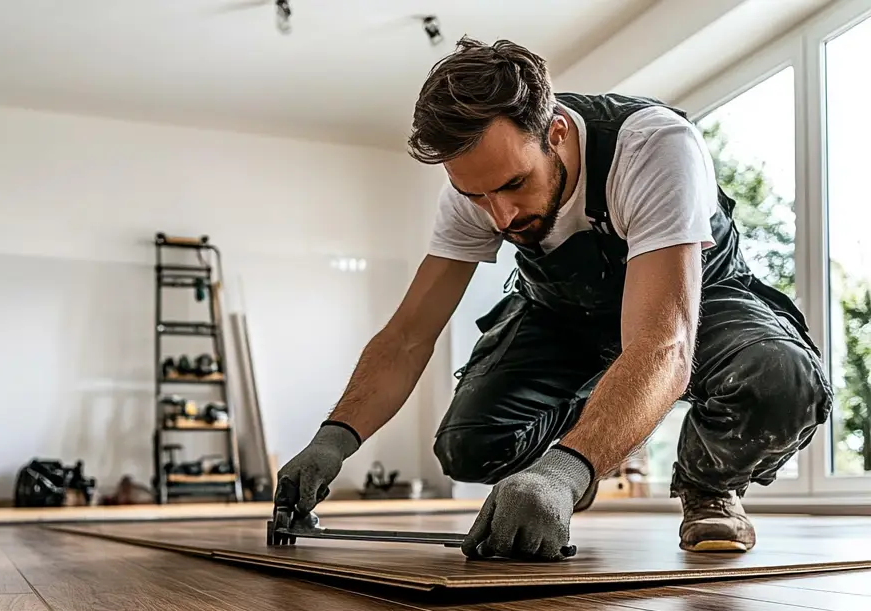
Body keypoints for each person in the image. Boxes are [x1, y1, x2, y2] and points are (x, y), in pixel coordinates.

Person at [274, 38, 832, 560]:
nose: (500, 216)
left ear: (557, 131)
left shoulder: (652, 146)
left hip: (696, 303)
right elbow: (408, 336)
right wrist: (333, 440)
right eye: (477, 194)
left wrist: (564, 471)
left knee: (780, 381)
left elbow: (664, 342)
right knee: (468, 449)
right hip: (562, 314)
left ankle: (709, 486)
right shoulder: (479, 187)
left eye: (515, 184)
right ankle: (576, 459)